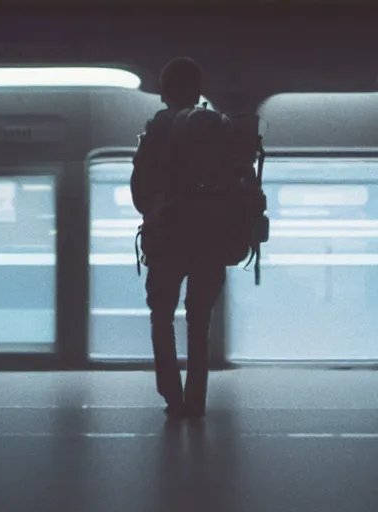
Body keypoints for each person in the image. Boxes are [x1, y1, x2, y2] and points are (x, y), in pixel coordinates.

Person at [130, 57, 235, 419]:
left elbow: (139, 191)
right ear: (197, 88)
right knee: (199, 321)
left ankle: (173, 399)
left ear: (164, 91)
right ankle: (196, 401)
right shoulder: (218, 126)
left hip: (168, 240)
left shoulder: (158, 127)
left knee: (162, 317)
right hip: (210, 242)